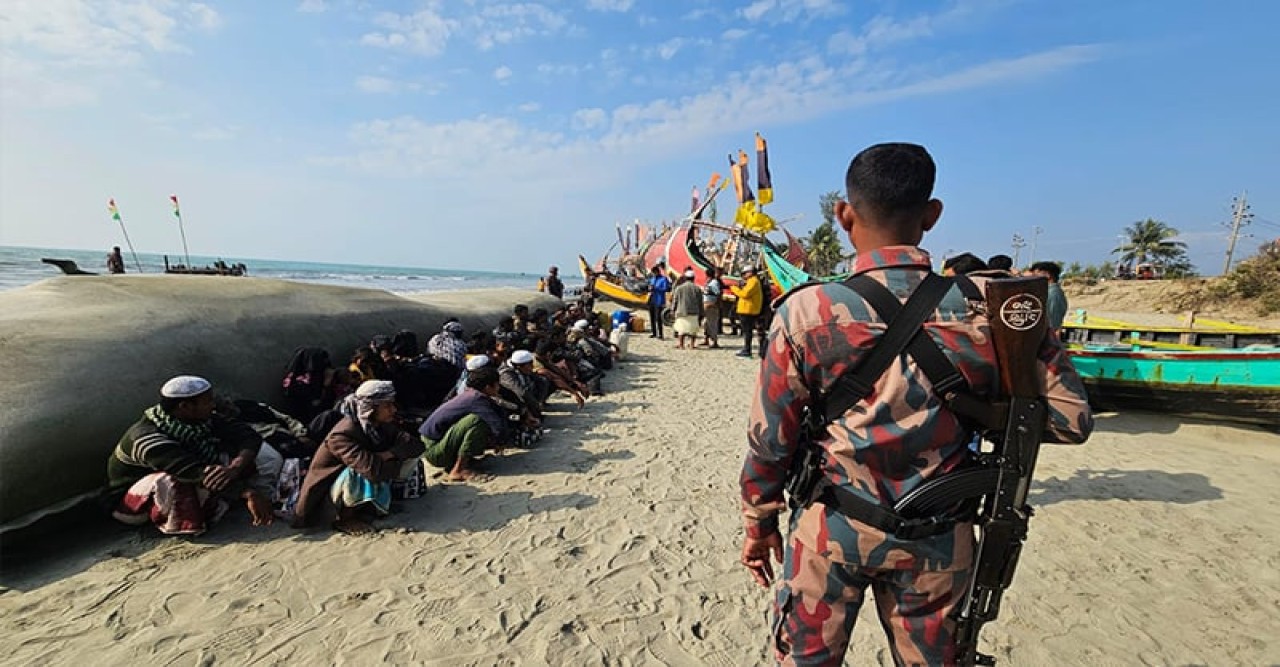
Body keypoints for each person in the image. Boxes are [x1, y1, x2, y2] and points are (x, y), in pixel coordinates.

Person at [739, 142, 1094, 665]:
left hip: (830, 531)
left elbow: (770, 442)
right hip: (940, 540)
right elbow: (1070, 420)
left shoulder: (806, 312)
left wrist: (759, 525)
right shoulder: (990, 310)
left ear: (843, 215)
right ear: (932, 215)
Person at [107, 375, 276, 535]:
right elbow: (191, 471)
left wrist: (235, 466)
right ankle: (182, 521)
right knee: (170, 482)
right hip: (137, 501)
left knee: (240, 455)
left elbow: (248, 435)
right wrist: (247, 493)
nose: (212, 406)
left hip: (195, 472)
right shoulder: (147, 438)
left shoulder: (199, 420)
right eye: (207, 402)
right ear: (185, 407)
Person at [292, 380, 424, 533]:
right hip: (326, 495)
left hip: (375, 469)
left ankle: (370, 505)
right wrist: (387, 459)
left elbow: (416, 446)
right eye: (387, 406)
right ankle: (345, 518)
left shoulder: (380, 424)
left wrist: (389, 454)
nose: (393, 410)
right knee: (359, 473)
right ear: (371, 408)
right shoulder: (342, 435)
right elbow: (372, 472)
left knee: (408, 458)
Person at [419, 366, 511, 482]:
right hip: (434, 450)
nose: (499, 388)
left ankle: (465, 461)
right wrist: (500, 441)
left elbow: (498, 412)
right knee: (477, 421)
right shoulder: (476, 399)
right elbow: (496, 424)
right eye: (497, 384)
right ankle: (458, 470)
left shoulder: (472, 394)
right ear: (488, 387)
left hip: (439, 443)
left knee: (478, 421)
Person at [729, 266, 763, 358]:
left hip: (748, 310)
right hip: (747, 309)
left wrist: (734, 289)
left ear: (750, 272)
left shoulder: (753, 281)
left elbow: (745, 294)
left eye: (745, 273)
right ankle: (746, 348)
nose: (743, 275)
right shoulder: (751, 281)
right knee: (747, 331)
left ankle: (747, 350)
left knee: (747, 331)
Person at [1030, 260, 1068, 333]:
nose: (1033, 278)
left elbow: (1052, 321)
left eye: (1036, 275)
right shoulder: (1047, 292)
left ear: (1047, 275)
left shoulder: (1053, 294)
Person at [670, 269, 704, 349]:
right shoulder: (697, 289)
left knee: (681, 329)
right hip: (694, 311)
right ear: (693, 278)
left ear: (685, 278)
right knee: (693, 329)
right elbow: (700, 302)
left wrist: (672, 310)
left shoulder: (679, 288)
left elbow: (675, 300)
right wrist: (702, 312)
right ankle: (692, 345)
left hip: (681, 311)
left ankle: (681, 345)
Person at [700, 266, 723, 348]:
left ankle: (714, 341)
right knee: (706, 323)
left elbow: (718, 294)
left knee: (712, 324)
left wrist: (716, 304)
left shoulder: (714, 283)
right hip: (706, 304)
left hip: (711, 305)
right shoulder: (709, 282)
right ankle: (706, 339)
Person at [647, 264, 671, 340]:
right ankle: (654, 333)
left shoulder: (663, 279)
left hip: (659, 301)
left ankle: (660, 334)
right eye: (653, 273)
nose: (654, 274)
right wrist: (649, 288)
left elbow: (666, 288)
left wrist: (656, 288)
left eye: (654, 273)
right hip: (652, 300)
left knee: (658, 318)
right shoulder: (652, 279)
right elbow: (650, 286)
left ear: (658, 272)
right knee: (652, 317)